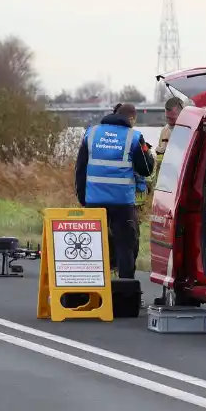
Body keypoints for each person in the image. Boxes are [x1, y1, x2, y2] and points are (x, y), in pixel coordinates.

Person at [74, 103, 154, 280]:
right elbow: (146, 168)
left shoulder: (91, 133)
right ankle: (126, 287)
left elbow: (80, 168)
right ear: (131, 118)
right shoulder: (134, 137)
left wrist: (82, 197)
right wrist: (147, 151)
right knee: (125, 245)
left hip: (94, 200)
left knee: (91, 244)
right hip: (122, 202)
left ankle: (92, 283)